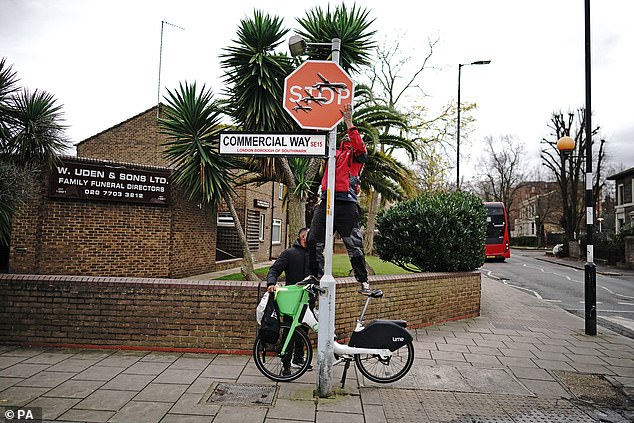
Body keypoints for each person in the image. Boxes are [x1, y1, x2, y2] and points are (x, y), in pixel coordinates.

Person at [305, 103, 371, 295]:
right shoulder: (332, 152)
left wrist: (349, 122)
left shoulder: (357, 156)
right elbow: (316, 142)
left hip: (347, 203)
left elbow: (360, 148)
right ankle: (314, 276)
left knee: (354, 245)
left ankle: (363, 281)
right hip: (326, 201)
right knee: (313, 240)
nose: (347, 136)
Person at [267, 228, 312, 375]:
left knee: (304, 330)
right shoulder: (289, 253)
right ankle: (286, 365)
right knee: (289, 332)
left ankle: (299, 359)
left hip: (308, 300)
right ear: (303, 237)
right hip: (291, 301)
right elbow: (274, 270)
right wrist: (271, 283)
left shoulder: (315, 255)